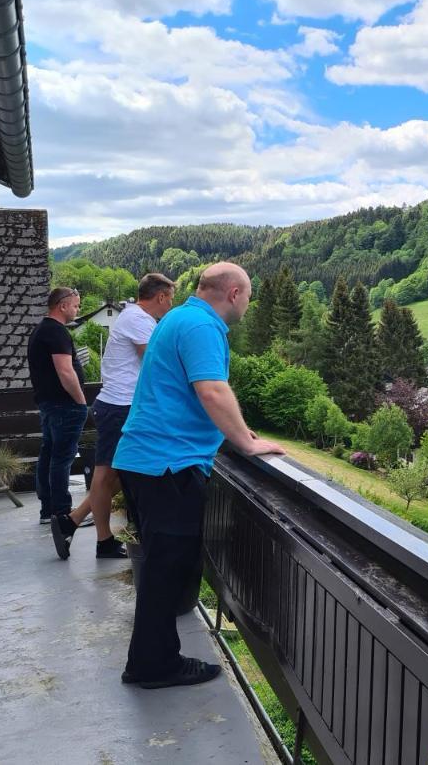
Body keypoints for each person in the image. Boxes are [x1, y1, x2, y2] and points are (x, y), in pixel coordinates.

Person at [113, 262, 284, 689]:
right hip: (167, 463)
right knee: (164, 570)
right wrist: (246, 444)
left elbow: (192, 395)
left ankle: (153, 658)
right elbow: (211, 390)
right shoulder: (202, 327)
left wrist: (237, 431)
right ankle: (153, 665)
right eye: (247, 295)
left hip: (148, 460)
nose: (247, 302)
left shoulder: (179, 317)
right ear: (233, 293)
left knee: (161, 567)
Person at [50, 273, 175, 560]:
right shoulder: (138, 320)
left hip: (120, 406)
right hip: (120, 407)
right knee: (108, 474)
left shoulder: (136, 318)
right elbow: (157, 364)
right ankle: (102, 539)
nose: (171, 304)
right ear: (160, 297)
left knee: (119, 471)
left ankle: (74, 520)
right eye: (170, 298)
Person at [27, 287, 89, 525]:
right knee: (61, 459)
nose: (77, 309)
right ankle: (62, 513)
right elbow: (65, 371)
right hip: (65, 406)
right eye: (76, 305)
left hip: (48, 404)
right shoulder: (56, 332)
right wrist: (81, 401)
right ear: (62, 306)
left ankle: (47, 510)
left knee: (49, 454)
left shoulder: (40, 330)